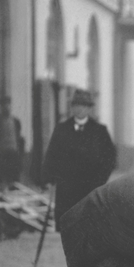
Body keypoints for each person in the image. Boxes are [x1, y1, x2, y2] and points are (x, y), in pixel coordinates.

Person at [43, 89, 117, 226]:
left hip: (91, 187)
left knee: (90, 225)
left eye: (83, 106)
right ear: (72, 108)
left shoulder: (99, 131)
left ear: (89, 109)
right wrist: (51, 178)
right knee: (68, 227)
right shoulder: (61, 129)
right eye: (76, 105)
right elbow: (52, 155)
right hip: (67, 189)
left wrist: (101, 179)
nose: (79, 109)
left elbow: (110, 157)